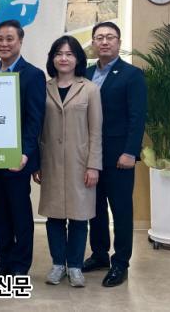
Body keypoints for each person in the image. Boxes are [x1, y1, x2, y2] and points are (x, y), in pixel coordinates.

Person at [33, 35, 102, 288]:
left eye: (69, 54)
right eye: (59, 54)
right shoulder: (44, 88)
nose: (64, 58)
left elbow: (96, 131)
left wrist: (93, 165)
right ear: (52, 58)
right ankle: (57, 264)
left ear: (78, 59)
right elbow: (36, 128)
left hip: (80, 163)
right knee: (54, 217)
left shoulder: (90, 89)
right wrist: (37, 163)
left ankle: (74, 266)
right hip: (50, 161)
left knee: (79, 217)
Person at [0, 19, 46, 277]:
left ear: (20, 41)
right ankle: (3, 261)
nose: (4, 44)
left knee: (19, 214)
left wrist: (25, 154)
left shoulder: (33, 75)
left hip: (17, 158)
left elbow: (34, 120)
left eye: (9, 39)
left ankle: (20, 265)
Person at [82, 22, 147, 287]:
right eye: (99, 37)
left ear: (119, 42)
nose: (104, 42)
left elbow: (137, 117)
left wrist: (130, 151)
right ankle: (99, 254)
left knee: (120, 210)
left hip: (119, 156)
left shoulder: (132, 75)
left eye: (110, 37)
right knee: (94, 208)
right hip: (90, 156)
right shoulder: (84, 73)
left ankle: (121, 262)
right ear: (93, 43)